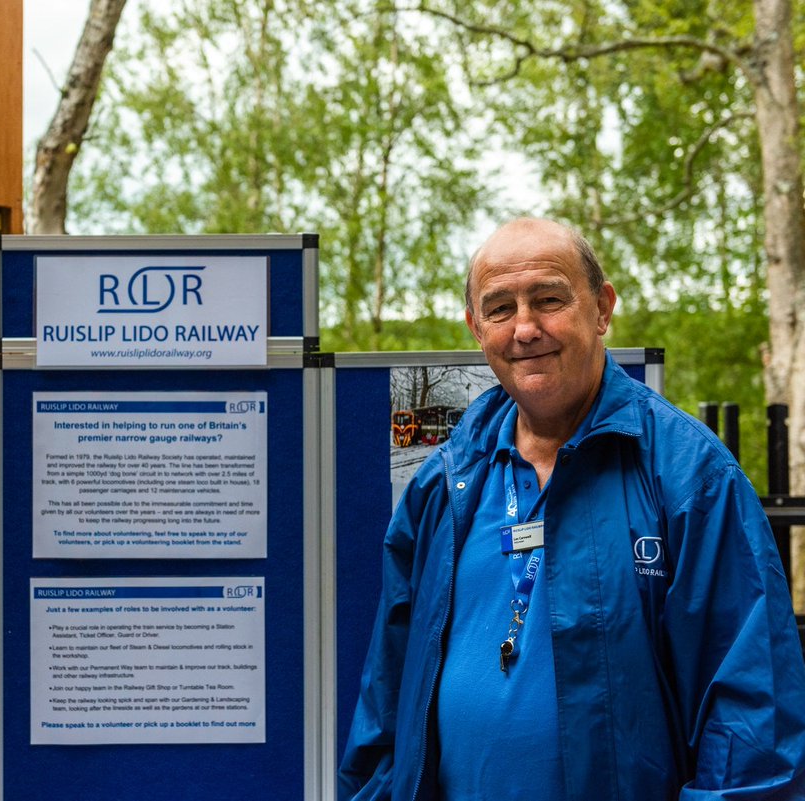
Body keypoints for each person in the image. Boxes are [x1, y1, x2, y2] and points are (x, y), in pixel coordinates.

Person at [339, 218, 805, 800]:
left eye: (549, 299)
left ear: (603, 308)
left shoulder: (691, 479)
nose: (526, 328)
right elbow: (386, 706)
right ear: (476, 328)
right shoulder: (444, 485)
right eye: (501, 308)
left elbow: (751, 721)